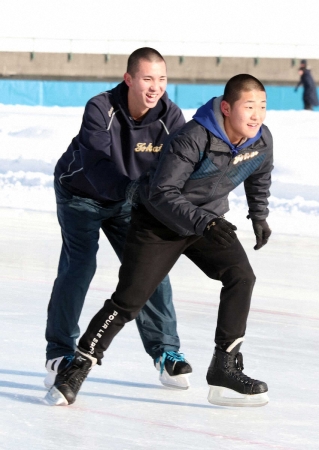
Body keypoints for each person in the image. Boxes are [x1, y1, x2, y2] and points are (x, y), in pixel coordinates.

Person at [45, 74, 273, 408]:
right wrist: (204, 222)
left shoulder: (260, 139)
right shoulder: (193, 138)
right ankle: (78, 366)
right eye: (249, 107)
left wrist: (259, 214)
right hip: (159, 224)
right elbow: (161, 193)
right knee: (129, 301)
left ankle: (224, 366)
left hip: (204, 223)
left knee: (241, 277)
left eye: (262, 107)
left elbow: (259, 173)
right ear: (226, 107)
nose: (257, 115)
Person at [44, 47, 193, 393]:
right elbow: (97, 164)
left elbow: (181, 169)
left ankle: (166, 352)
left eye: (162, 79)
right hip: (80, 194)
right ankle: (59, 353)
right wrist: (136, 194)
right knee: (79, 266)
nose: (155, 87)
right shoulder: (101, 108)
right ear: (129, 79)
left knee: (150, 268)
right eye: (147, 79)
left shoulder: (171, 118)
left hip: (130, 200)